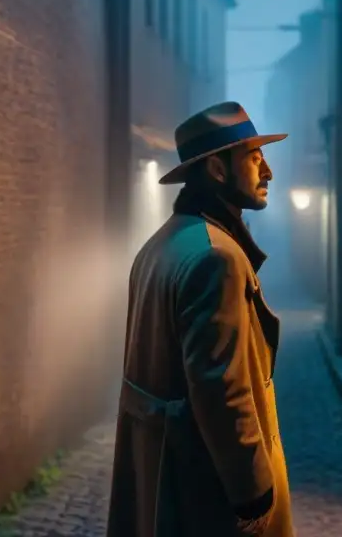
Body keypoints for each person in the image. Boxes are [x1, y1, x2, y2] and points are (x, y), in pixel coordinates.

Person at [106, 102, 295, 537]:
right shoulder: (217, 257)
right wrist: (253, 493)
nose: (267, 172)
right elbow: (220, 387)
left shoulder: (160, 244)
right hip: (202, 490)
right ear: (217, 169)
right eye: (253, 157)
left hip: (160, 477)